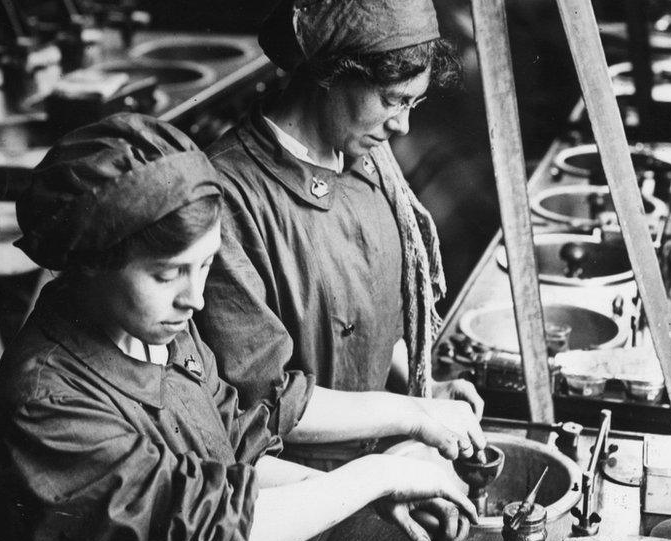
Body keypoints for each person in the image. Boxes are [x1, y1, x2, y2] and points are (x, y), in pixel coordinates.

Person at [0, 114, 478, 541]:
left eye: (203, 267)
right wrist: (377, 475)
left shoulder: (157, 330)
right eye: (168, 272)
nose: (194, 299)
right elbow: (202, 530)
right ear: (92, 264)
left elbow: (236, 456)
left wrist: (370, 498)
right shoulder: (47, 403)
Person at [200, 0, 484, 468]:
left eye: (414, 103)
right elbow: (266, 402)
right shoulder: (228, 196)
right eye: (393, 100)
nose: (403, 125)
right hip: (295, 490)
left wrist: (424, 388)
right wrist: (412, 413)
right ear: (330, 74)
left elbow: (371, 322)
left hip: (377, 462)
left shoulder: (370, 162)